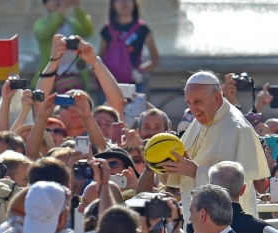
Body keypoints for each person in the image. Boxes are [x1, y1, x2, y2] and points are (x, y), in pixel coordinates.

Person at [162, 71, 270, 226]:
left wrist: (194, 171)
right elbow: (182, 174)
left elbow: (240, 184)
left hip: (228, 224)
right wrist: (168, 167)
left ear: (217, 98)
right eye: (189, 102)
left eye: (197, 101)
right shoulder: (199, 121)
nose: (193, 109)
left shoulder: (237, 127)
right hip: (196, 220)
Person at [187, 161, 270, 233]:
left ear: (211, 189)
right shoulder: (262, 228)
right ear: (243, 189)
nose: (190, 218)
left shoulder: (197, 226)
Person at [99, 0, 159, 94]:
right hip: (110, 84)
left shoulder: (142, 29)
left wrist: (139, 70)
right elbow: (99, 58)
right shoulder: (107, 30)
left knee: (137, 108)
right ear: (112, 4)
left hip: (135, 85)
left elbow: (156, 60)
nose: (124, 3)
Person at [31, 0, 94, 90]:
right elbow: (44, 34)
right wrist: (62, 8)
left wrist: (77, 8)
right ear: (45, 4)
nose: (57, 1)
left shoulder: (72, 24)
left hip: (75, 76)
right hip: (51, 78)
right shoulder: (41, 24)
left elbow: (88, 31)